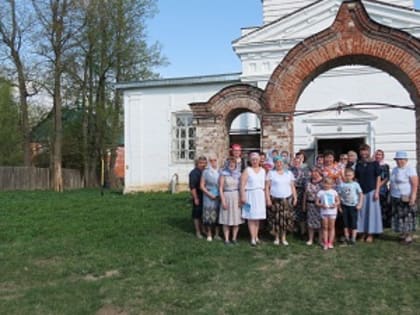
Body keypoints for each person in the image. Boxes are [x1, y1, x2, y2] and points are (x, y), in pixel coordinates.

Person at [265, 156, 297, 246]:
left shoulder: (289, 173)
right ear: (274, 163)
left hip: (286, 199)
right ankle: (276, 238)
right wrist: (267, 199)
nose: (279, 164)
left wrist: (295, 197)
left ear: (283, 163)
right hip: (275, 199)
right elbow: (267, 187)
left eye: (281, 162)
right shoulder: (271, 173)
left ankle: (283, 238)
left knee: (285, 219)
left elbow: (292, 186)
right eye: (277, 162)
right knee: (275, 219)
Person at [355, 144, 383, 242]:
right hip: (361, 192)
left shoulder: (375, 163)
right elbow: (356, 178)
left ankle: (370, 234)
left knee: (371, 213)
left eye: (365, 151)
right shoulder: (358, 164)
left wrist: (377, 191)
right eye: (362, 151)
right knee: (361, 213)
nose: (363, 153)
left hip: (372, 191)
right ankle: (362, 233)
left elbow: (378, 177)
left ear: (369, 152)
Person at [390, 151, 418, 244]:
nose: (399, 161)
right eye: (397, 159)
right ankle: (402, 234)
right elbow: (392, 182)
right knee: (399, 216)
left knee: (407, 217)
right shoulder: (394, 169)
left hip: (406, 196)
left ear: (406, 160)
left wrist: (413, 196)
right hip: (395, 196)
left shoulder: (410, 169)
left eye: (401, 159)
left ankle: (408, 237)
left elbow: (415, 184)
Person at [240, 152, 266, 246]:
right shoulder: (247, 170)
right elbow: (242, 184)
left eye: (256, 159)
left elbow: (264, 184)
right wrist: (243, 195)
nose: (255, 161)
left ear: (259, 160)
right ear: (250, 161)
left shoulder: (263, 171)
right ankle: (252, 238)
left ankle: (256, 236)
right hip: (250, 195)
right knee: (251, 217)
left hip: (259, 195)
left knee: (257, 217)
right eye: (253, 159)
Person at [219, 157, 243, 245]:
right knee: (226, 218)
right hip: (227, 195)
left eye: (233, 163)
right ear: (227, 164)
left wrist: (241, 199)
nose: (232, 165)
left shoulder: (239, 174)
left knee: (236, 218)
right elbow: (221, 188)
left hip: (236, 196)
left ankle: (234, 238)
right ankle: (226, 239)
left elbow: (241, 187)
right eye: (230, 163)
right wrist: (223, 200)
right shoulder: (223, 174)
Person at [338, 168, 363, 245]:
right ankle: (347, 237)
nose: (348, 177)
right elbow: (338, 196)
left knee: (353, 222)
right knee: (345, 223)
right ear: (344, 175)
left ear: (353, 176)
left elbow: (361, 194)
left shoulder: (356, 184)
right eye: (346, 175)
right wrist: (339, 207)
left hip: (353, 206)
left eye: (350, 175)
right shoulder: (341, 184)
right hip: (344, 206)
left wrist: (360, 204)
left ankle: (353, 238)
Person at [200, 154, 221, 241]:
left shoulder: (221, 170)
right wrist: (209, 194)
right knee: (209, 214)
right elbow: (201, 186)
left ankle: (217, 234)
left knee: (218, 214)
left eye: (215, 160)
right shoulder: (206, 172)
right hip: (208, 195)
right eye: (211, 160)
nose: (213, 162)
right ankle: (209, 234)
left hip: (219, 195)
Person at [316, 177, 340, 250]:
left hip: (332, 212)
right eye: (325, 184)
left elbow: (338, 201)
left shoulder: (334, 192)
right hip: (324, 212)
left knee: (331, 227)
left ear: (332, 184)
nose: (327, 185)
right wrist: (321, 205)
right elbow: (317, 202)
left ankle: (330, 243)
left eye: (329, 184)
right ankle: (325, 243)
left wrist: (335, 204)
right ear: (323, 184)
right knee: (325, 227)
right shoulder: (320, 192)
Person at [290, 155, 308, 238]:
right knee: (292, 211)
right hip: (291, 192)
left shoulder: (305, 170)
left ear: (301, 161)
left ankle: (303, 232)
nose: (297, 163)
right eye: (295, 161)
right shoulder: (290, 170)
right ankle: (293, 230)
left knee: (301, 212)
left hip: (301, 192)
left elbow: (306, 183)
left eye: (298, 161)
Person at [303, 168, 323, 246]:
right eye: (313, 172)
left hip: (320, 205)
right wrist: (304, 205)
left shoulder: (323, 182)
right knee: (310, 223)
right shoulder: (308, 182)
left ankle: (320, 240)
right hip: (310, 204)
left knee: (320, 224)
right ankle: (310, 239)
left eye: (316, 171)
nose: (314, 173)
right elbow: (305, 194)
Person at [189, 156, 207, 239]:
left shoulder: (205, 172)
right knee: (196, 215)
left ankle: (203, 230)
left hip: (205, 196)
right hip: (198, 195)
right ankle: (198, 232)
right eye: (201, 163)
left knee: (202, 214)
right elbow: (192, 187)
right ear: (197, 163)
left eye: (204, 163)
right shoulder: (194, 173)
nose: (203, 165)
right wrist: (195, 198)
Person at [374, 149, 391, 228]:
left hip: (382, 189)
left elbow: (387, 178)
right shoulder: (372, 165)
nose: (378, 156)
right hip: (373, 188)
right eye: (377, 154)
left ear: (382, 156)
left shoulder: (385, 165)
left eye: (380, 154)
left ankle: (383, 224)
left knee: (383, 206)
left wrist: (378, 185)